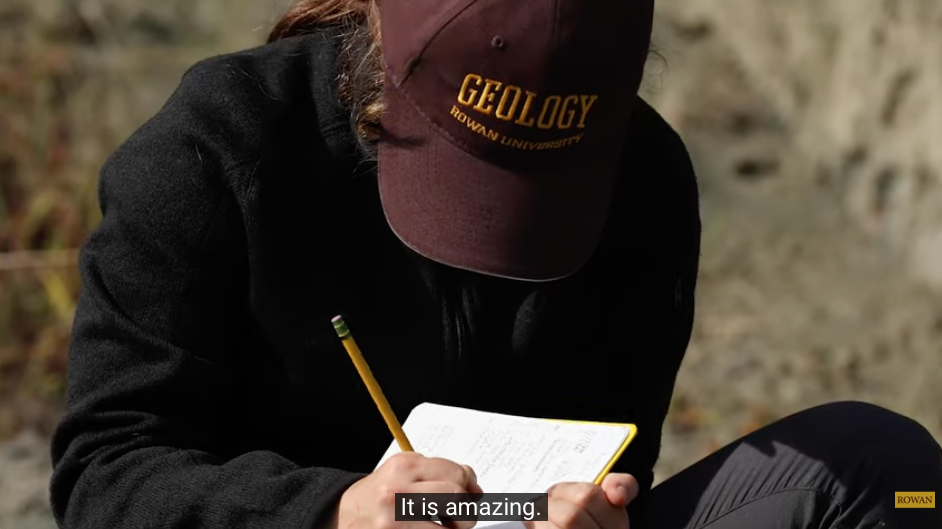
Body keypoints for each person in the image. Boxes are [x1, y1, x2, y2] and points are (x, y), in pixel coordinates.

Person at [48, 0, 942, 527]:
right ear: (389, 50)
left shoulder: (648, 179)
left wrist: (596, 509)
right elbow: (103, 472)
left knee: (890, 474)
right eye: (471, 173)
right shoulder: (218, 147)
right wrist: (335, 511)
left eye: (547, 187)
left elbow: (621, 448)